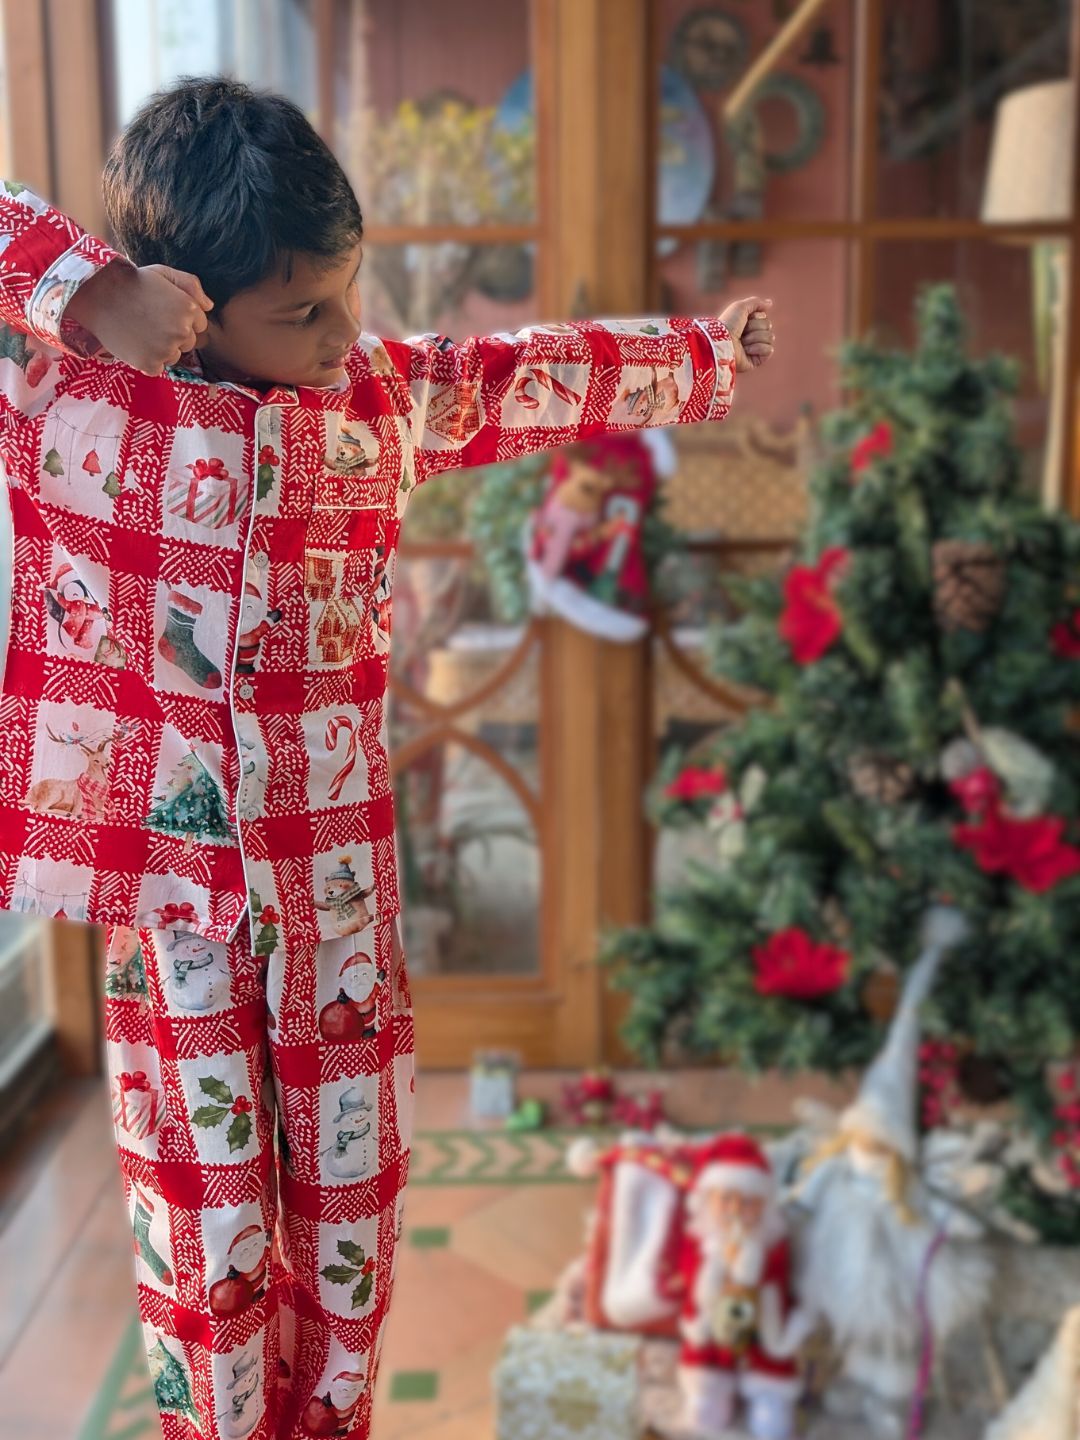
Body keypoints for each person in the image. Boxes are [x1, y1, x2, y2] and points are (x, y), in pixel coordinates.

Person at [0, 77, 776, 1440]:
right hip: (172, 913)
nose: (342, 332)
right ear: (187, 298)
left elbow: (526, 375)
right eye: (303, 310)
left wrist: (702, 360)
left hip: (338, 910)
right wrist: (83, 289)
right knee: (206, 1232)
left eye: (348, 294)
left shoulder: (366, 402)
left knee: (350, 1226)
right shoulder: (74, 399)